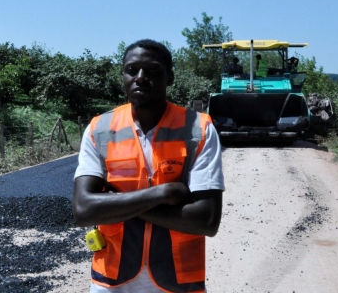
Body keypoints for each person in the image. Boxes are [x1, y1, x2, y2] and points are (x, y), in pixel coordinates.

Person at [72, 39, 224, 293]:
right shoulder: (99, 129)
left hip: (178, 282)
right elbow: (83, 210)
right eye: (132, 70)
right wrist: (163, 193)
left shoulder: (199, 129)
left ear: (170, 78)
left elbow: (206, 220)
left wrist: (114, 202)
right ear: (123, 76)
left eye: (153, 71)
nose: (140, 78)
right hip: (111, 282)